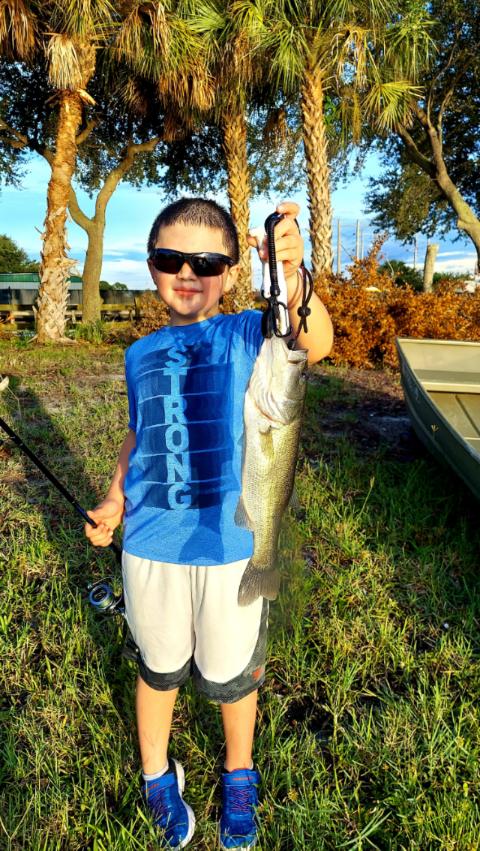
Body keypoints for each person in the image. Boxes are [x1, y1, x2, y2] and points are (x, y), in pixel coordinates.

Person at [85, 197, 333, 849]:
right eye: (171, 259)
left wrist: (292, 274)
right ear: (152, 267)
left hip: (231, 548)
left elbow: (312, 341)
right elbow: (137, 434)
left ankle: (239, 771)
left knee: (231, 674)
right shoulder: (139, 352)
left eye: (206, 261)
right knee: (157, 667)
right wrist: (114, 499)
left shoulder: (248, 334)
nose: (188, 272)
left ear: (230, 271)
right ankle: (155, 773)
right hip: (148, 545)